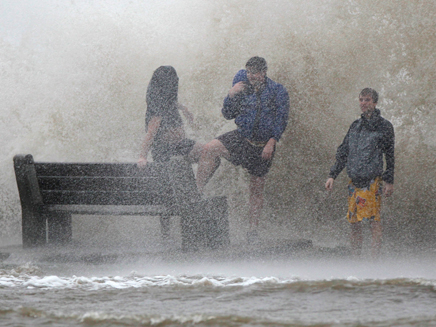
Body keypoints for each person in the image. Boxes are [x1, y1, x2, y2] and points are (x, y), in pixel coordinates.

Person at [196, 56, 290, 243]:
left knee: (256, 188)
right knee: (209, 149)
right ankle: (196, 192)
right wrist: (231, 94)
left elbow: (281, 119)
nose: (251, 76)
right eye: (249, 72)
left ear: (264, 73)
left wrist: (272, 142)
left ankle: (252, 231)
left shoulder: (277, 91)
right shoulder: (241, 84)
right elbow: (227, 114)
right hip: (242, 139)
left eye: (255, 73)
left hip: (262, 146)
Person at [325, 88, 395, 257]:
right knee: (354, 222)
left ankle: (373, 262)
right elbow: (343, 152)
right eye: (361, 100)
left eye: (367, 100)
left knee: (373, 221)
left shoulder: (384, 126)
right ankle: (356, 260)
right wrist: (332, 175)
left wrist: (389, 180)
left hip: (373, 181)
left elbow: (390, 155)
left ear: (375, 103)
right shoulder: (355, 125)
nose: (363, 103)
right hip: (354, 181)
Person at [138, 66, 202, 167]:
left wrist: (184, 109)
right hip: (167, 151)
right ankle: (199, 183)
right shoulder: (157, 105)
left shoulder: (167, 100)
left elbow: (173, 103)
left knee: (208, 152)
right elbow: (151, 133)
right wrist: (142, 157)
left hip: (179, 146)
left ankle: (197, 182)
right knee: (207, 153)